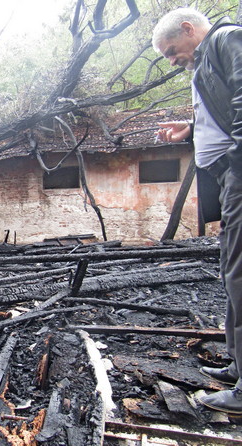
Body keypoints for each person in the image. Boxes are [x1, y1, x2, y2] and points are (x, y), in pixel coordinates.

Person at [152, 8, 242, 414]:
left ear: (189, 29)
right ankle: (238, 365)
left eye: (172, 50)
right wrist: (191, 128)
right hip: (226, 180)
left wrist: (238, 163)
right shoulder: (205, 61)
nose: (172, 60)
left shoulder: (227, 39)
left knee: (240, 274)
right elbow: (221, 108)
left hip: (237, 174)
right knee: (231, 271)